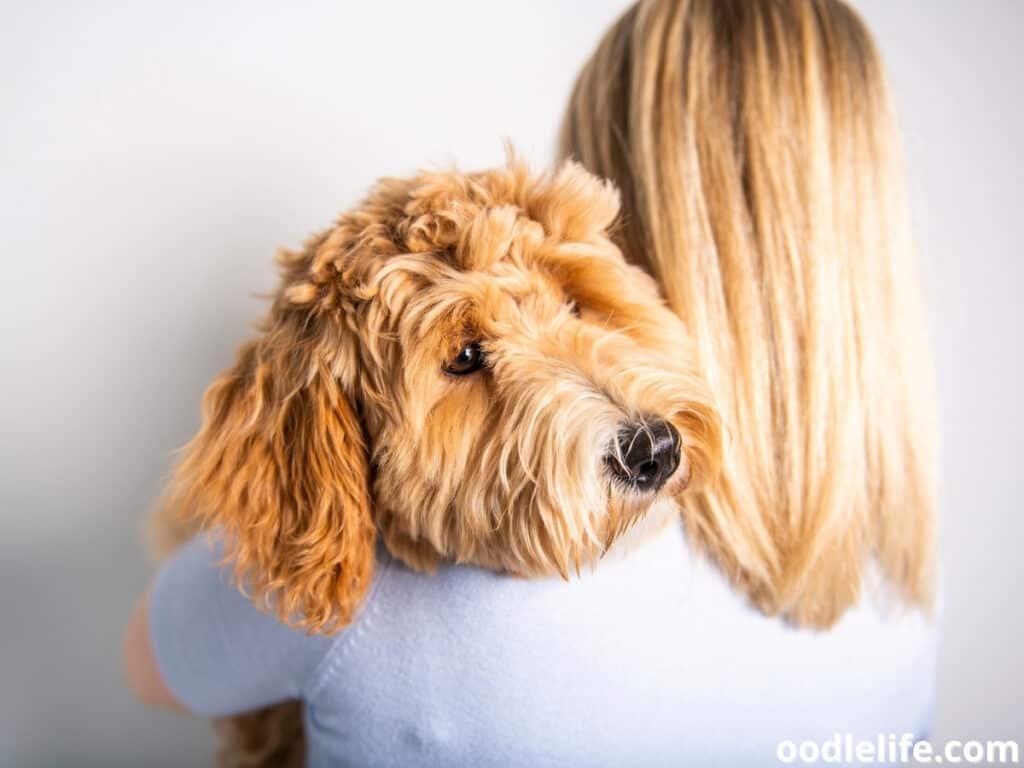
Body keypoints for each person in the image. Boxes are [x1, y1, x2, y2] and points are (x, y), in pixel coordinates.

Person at [125, 1, 938, 765]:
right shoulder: (901, 591)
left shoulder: (361, 618)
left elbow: (148, 663)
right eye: (468, 359)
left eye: (574, 301)